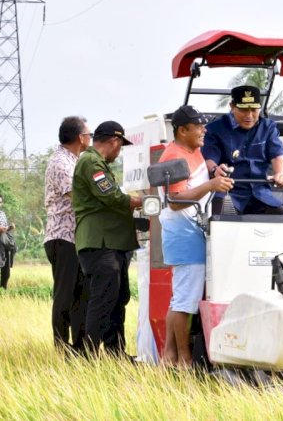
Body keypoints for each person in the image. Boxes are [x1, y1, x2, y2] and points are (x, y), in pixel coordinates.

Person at [158, 106, 233, 366]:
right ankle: (185, 360)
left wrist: (214, 173)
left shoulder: (193, 151)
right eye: (198, 126)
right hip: (184, 233)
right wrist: (210, 185)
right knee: (185, 301)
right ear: (182, 130)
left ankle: (169, 356)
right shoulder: (173, 157)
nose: (204, 130)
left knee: (181, 298)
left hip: (192, 232)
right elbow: (175, 201)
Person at [72, 120, 142, 357]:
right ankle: (89, 354)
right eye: (120, 146)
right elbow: (110, 195)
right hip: (100, 243)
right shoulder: (91, 161)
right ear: (114, 141)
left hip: (112, 243)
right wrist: (136, 201)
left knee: (117, 298)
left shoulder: (98, 163)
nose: (119, 151)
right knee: (104, 299)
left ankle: (115, 352)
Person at [201, 85, 283, 215]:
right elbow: (209, 159)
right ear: (232, 106)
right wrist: (215, 170)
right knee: (217, 226)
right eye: (243, 110)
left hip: (261, 195)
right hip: (227, 193)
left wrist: (281, 174)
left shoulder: (268, 127)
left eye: (254, 109)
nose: (249, 115)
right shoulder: (215, 129)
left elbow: (277, 156)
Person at [44, 116, 92, 352]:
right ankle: (62, 348)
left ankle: (80, 348)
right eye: (89, 134)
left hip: (76, 238)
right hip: (62, 238)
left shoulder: (76, 160)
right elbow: (79, 198)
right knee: (64, 296)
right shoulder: (61, 163)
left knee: (81, 294)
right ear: (80, 137)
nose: (90, 138)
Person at [0, 193, 15, 289]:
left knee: (6, 272)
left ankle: (2, 291)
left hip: (3, 242)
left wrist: (10, 227)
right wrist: (5, 228)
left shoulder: (3, 214)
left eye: (0, 202)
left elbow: (3, 229)